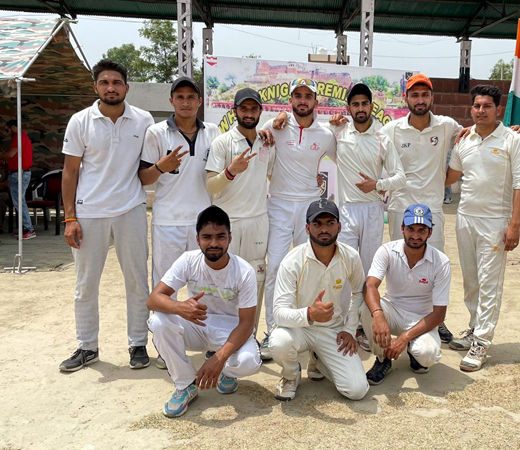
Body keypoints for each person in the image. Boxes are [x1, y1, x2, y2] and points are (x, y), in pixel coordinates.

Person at [59, 59, 154, 372]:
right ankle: (87, 346)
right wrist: (70, 218)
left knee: (138, 281)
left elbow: (148, 168)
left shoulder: (144, 120)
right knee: (85, 284)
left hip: (131, 209)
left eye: (116, 82)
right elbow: (70, 172)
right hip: (90, 213)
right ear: (95, 87)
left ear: (127, 87)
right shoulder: (80, 121)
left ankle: (138, 343)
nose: (110, 87)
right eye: (104, 82)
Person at [444, 85, 520, 372]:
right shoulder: (464, 140)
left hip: (495, 222)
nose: (481, 111)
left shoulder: (512, 140)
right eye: (477, 106)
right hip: (465, 218)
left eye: (487, 106)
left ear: (498, 110)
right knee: (471, 280)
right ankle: (472, 327)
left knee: (489, 283)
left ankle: (482, 341)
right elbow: (450, 177)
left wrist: (514, 225)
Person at [147, 206, 262, 418]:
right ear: (197, 239)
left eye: (221, 237)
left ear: (230, 238)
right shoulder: (188, 260)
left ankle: (227, 371)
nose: (214, 244)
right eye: (207, 237)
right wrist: (179, 306)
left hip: (230, 330)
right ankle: (185, 385)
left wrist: (219, 358)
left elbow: (247, 323)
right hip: (197, 325)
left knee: (249, 362)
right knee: (159, 322)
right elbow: (153, 299)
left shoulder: (244, 270)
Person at [379, 73, 462, 344]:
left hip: (433, 209)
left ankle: (436, 320)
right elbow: (367, 138)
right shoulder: (392, 129)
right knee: (399, 267)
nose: (420, 100)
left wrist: (512, 131)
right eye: (414, 95)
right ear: (406, 98)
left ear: (432, 98)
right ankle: (400, 317)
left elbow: (475, 134)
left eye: (425, 95)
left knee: (434, 265)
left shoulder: (446, 125)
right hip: (400, 208)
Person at [324, 83, 406, 351]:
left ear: (372, 106)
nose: (360, 108)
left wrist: (377, 185)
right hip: (346, 210)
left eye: (364, 103)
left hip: (372, 210)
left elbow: (400, 177)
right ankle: (343, 324)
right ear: (348, 108)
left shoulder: (383, 138)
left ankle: (361, 327)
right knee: (345, 270)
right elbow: (312, 132)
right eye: (355, 104)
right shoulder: (338, 131)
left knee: (369, 272)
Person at [259, 78, 337, 359]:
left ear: (316, 102)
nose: (302, 101)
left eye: (308, 96)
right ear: (290, 100)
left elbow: (337, 164)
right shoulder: (275, 126)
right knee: (277, 267)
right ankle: (272, 331)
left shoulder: (327, 134)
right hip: (278, 204)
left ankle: (311, 330)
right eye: (297, 96)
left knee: (311, 269)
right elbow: (256, 134)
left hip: (309, 206)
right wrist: (273, 120)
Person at [269, 199, 368, 401]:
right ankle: (290, 376)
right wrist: (309, 314)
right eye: (317, 224)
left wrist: (349, 330)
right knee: (279, 342)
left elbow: (359, 292)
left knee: (357, 391)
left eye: (330, 223)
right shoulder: (292, 261)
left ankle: (319, 360)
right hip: (298, 329)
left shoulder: (350, 257)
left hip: (332, 330)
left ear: (339, 226)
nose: (324, 229)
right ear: (307, 228)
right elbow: (279, 313)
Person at [139, 77, 221, 299]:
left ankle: (200, 334)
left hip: (202, 223)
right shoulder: (156, 132)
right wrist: (160, 167)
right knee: (166, 287)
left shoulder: (213, 132)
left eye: (191, 97)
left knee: (204, 288)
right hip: (168, 222)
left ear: (199, 101)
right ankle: (165, 334)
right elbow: (144, 178)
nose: (186, 102)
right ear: (171, 101)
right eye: (180, 97)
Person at [205, 88, 273, 346]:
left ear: (259, 112)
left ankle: (249, 337)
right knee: (223, 279)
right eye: (243, 109)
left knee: (255, 279)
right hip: (229, 220)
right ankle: (218, 339)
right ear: (235, 111)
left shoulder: (266, 142)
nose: (248, 114)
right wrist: (230, 172)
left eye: (253, 109)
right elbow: (211, 186)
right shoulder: (222, 143)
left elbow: (272, 176)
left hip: (258, 220)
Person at [360, 204, 450, 384]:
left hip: (421, 318)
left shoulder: (441, 262)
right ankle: (382, 359)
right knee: (365, 307)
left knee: (427, 356)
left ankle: (412, 349)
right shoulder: (387, 251)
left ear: (430, 232)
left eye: (422, 230)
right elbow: (370, 286)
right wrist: (378, 315)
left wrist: (404, 338)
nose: (415, 236)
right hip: (392, 310)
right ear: (402, 228)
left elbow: (439, 314)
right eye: (410, 229)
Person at [0, 120, 35, 238]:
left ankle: (29, 229)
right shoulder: (22, 137)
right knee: (19, 202)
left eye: (7, 129)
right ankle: (25, 228)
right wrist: (4, 166)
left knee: (19, 202)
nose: (7, 133)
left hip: (19, 174)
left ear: (14, 127)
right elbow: (17, 159)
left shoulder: (18, 136)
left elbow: (10, 154)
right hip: (19, 172)